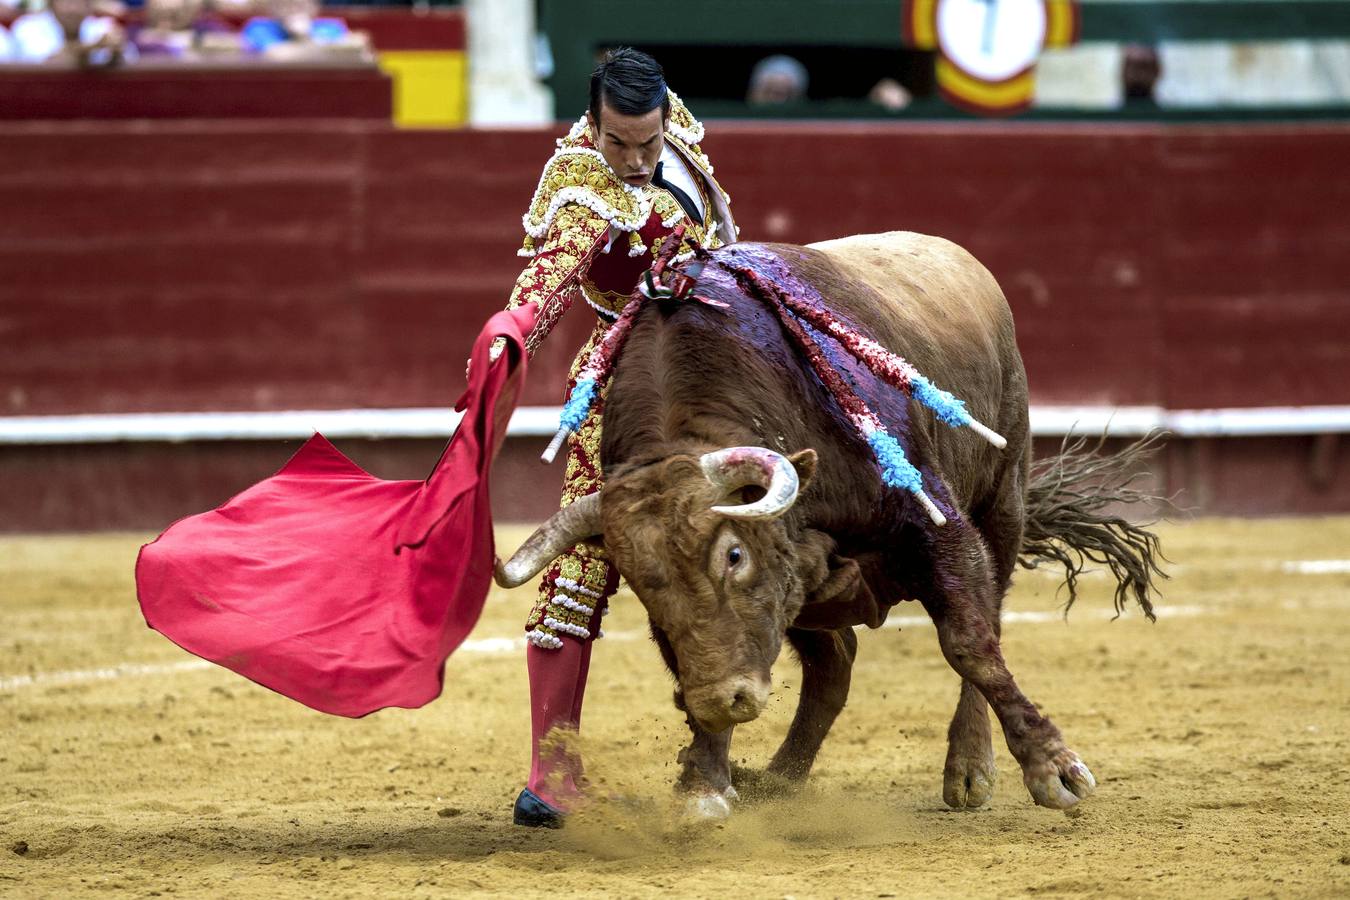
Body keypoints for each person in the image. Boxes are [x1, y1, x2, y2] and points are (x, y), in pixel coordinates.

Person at [498, 47, 737, 827]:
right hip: (619, 393)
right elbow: (544, 289)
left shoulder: (682, 139)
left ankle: (720, 755)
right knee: (579, 568)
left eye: (646, 141)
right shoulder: (578, 191)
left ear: (665, 117)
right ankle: (552, 775)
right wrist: (512, 337)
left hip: (716, 376)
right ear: (592, 124)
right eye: (617, 143)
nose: (634, 162)